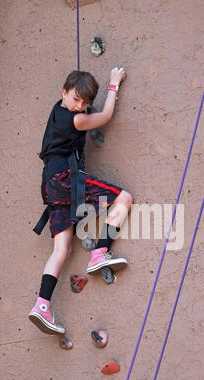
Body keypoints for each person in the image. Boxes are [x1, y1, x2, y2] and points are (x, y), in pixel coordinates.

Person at [28, 68, 133, 335]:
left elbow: (81, 104)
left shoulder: (57, 110)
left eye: (85, 103)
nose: (80, 106)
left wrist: (81, 101)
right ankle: (100, 252)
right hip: (65, 178)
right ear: (64, 92)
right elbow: (106, 116)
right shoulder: (75, 120)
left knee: (61, 250)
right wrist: (113, 84)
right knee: (124, 198)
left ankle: (41, 305)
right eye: (76, 99)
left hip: (51, 185)